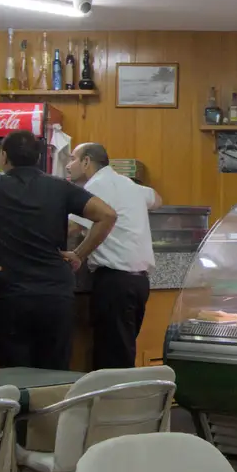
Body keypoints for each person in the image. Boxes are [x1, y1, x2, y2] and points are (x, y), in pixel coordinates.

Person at [0, 130, 117, 369]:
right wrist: (79, 254)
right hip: (55, 296)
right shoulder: (60, 187)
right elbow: (107, 214)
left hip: (11, 297)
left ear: (4, 157)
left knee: (15, 376)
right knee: (53, 377)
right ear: (38, 158)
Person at [67, 143, 154, 369]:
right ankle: (120, 402)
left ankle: (114, 403)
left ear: (86, 161)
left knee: (112, 357)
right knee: (122, 350)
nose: (67, 166)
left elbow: (73, 227)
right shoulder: (126, 183)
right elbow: (156, 198)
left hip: (115, 281)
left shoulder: (96, 185)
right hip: (139, 282)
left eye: (72, 159)